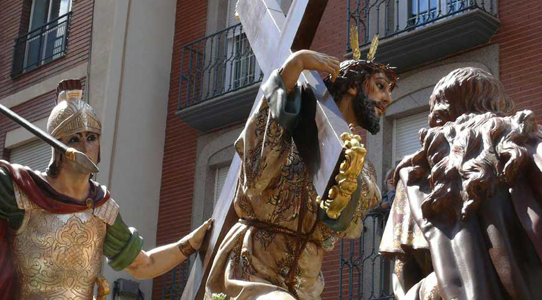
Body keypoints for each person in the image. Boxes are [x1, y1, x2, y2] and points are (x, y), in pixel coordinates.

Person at [0, 74, 213, 300]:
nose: (86, 147)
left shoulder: (102, 208)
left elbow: (144, 265)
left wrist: (191, 243)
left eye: (92, 138)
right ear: (57, 149)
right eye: (74, 139)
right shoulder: (22, 190)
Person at [205, 48, 397, 300]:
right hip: (254, 267)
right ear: (352, 86)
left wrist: (347, 182)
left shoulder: (361, 164)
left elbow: (339, 227)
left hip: (306, 280)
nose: (387, 99)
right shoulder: (293, 131)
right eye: (380, 86)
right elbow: (256, 171)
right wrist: (294, 67)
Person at [379, 67, 542, 299]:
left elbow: (403, 272)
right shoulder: (533, 146)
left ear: (440, 116)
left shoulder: (417, 172)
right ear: (500, 106)